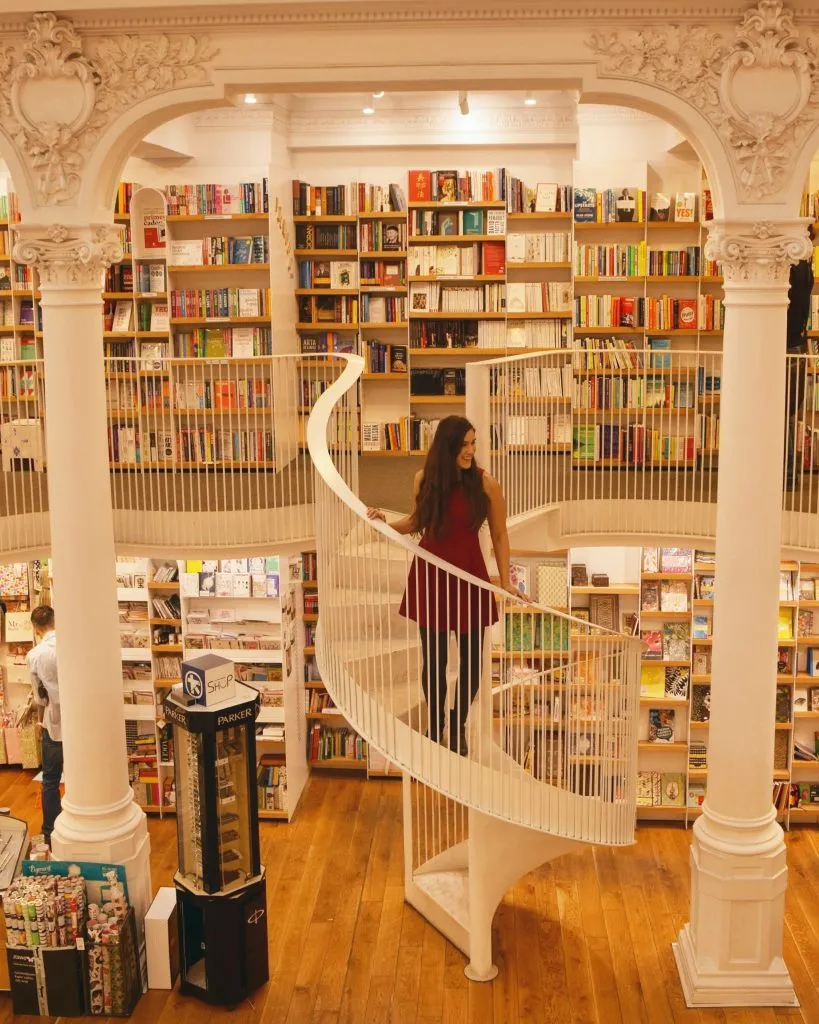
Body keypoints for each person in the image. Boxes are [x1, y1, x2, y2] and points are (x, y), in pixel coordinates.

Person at [367, 416, 516, 754]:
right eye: (464, 444)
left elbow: (500, 533)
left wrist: (506, 581)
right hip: (431, 576)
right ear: (447, 446)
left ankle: (457, 721)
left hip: (469, 577)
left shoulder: (485, 484)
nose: (470, 450)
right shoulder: (426, 479)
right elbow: (418, 521)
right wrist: (385, 524)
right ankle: (436, 726)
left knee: (472, 666)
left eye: (473, 443)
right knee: (432, 663)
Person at [27, 605, 61, 845]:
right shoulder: (71, 646)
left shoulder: (35, 655)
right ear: (54, 620)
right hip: (81, 722)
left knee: (51, 779)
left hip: (55, 722)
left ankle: (50, 831)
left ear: (36, 629)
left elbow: (39, 698)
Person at [786, 223, 816, 488]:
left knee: (784, 415)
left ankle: (784, 475)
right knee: (790, 414)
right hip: (796, 345)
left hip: (786, 346)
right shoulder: (806, 269)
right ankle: (789, 476)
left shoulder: (793, 269)